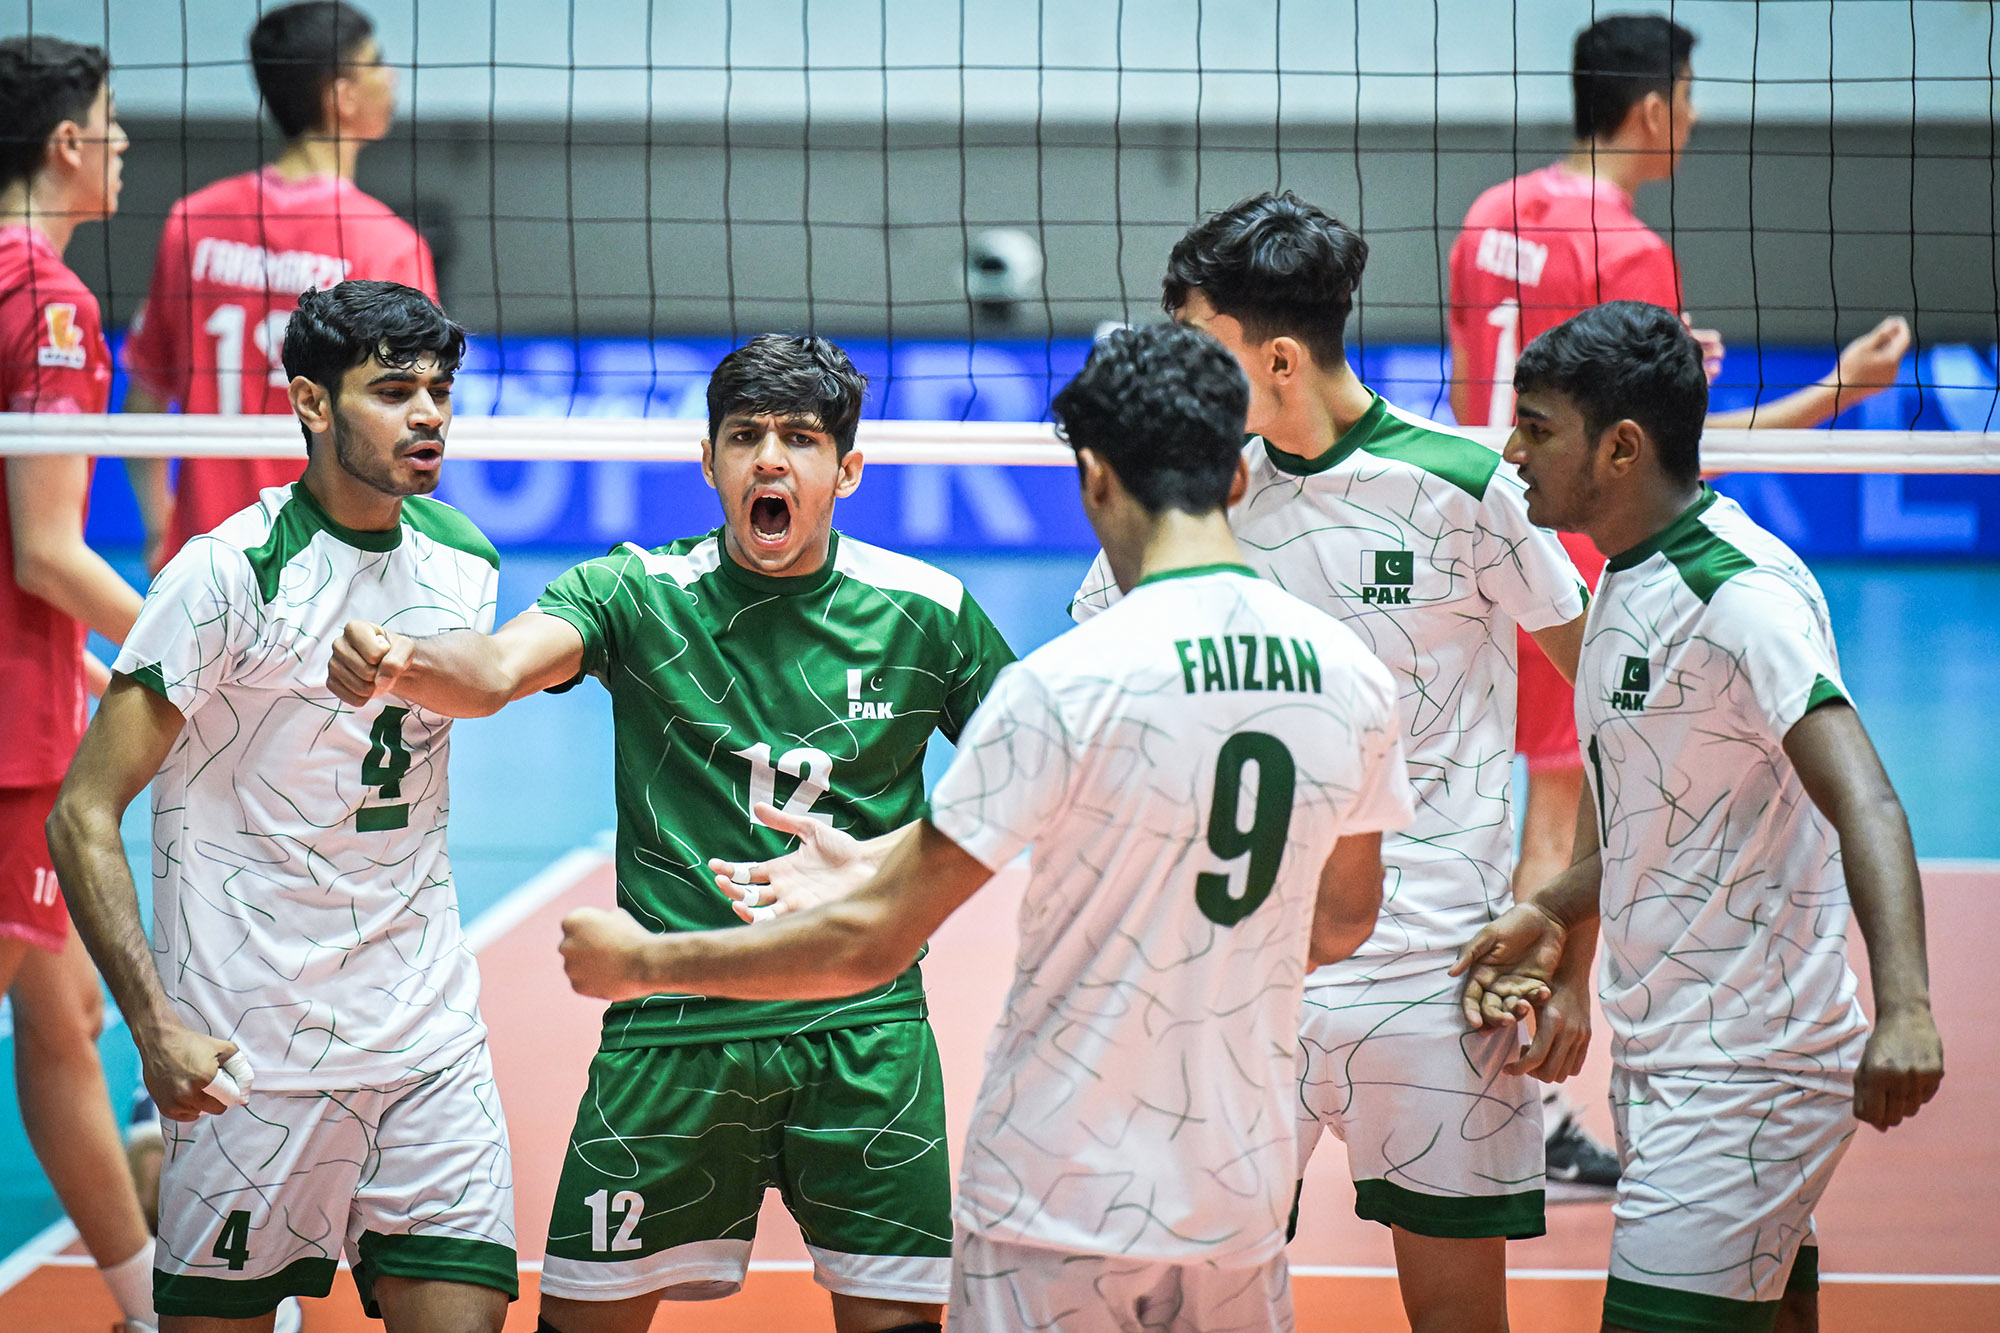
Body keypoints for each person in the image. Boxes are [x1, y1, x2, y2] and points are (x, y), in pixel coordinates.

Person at [554, 322, 1415, 1333]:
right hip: (1236, 1169)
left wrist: (646, 961)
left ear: (1093, 478)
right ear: (1236, 475)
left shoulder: (1066, 686)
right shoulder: (1350, 672)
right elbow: (1341, 921)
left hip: (1060, 1174)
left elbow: (872, 939)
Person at [323, 332, 1015, 1333]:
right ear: (708, 460)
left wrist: (875, 863)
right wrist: (400, 659)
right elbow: (494, 671)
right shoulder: (637, 592)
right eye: (744, 436)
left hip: (865, 1038)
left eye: (800, 438)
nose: (769, 459)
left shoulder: (927, 613)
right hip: (670, 1036)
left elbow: (1046, 781)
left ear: (848, 469)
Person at [1069, 193, 1589, 1333]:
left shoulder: (1469, 486)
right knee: (1191, 1311)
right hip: (1237, 981)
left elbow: (1614, 717)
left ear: (1280, 358)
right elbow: (1103, 702)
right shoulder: (1192, 494)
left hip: (1440, 985)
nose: (1176, 366)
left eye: (1198, 340)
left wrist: (1569, 940)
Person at [1447, 19, 1914, 1159]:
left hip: (1480, 534)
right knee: (1564, 807)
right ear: (1652, 107)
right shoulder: (1629, 249)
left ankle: (1480, 1078)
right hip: (1577, 560)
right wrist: (1839, 391)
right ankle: (1525, 1106)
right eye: (1690, 99)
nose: (1695, 122)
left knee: (1480, 803)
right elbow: (1659, 454)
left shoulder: (1486, 216)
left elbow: (1513, 403)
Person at [1456, 299, 1944, 1333]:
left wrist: (1904, 1006)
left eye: (1536, 428)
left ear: (1621, 447)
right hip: (1675, 1052)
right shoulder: (1621, 581)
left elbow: (1865, 796)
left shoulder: (1739, 598)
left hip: (1747, 1073)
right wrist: (1553, 913)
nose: (1512, 452)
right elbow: (1650, 817)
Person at [48, 280, 517, 1332]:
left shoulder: (466, 562)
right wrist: (154, 1027)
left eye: (439, 391)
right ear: (311, 402)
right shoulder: (224, 575)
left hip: (428, 1048)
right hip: (251, 1064)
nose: (428, 415)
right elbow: (82, 812)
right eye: (392, 391)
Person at [0, 35, 160, 1333]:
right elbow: (48, 552)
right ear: (64, 143)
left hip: (32, 691)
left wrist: (92, 665)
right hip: (8, 731)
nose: (123, 145)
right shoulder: (47, 302)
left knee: (66, 1014)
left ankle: (150, 1301)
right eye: (110, 124)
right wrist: (192, 645)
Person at [123, 0, 434, 572]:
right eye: (376, 62)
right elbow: (407, 433)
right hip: (326, 563)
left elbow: (143, 403)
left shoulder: (194, 221)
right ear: (342, 96)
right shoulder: (387, 245)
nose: (392, 77)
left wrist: (158, 526)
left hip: (206, 551)